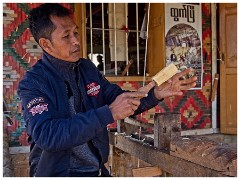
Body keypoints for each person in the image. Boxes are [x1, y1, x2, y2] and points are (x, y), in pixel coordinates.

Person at [17, 3, 197, 177]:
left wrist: (155, 93)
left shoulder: (87, 69)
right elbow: (48, 135)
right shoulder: (34, 83)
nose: (76, 41)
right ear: (46, 44)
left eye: (76, 32)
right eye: (66, 36)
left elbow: (119, 100)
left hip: (96, 171)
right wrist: (108, 113)